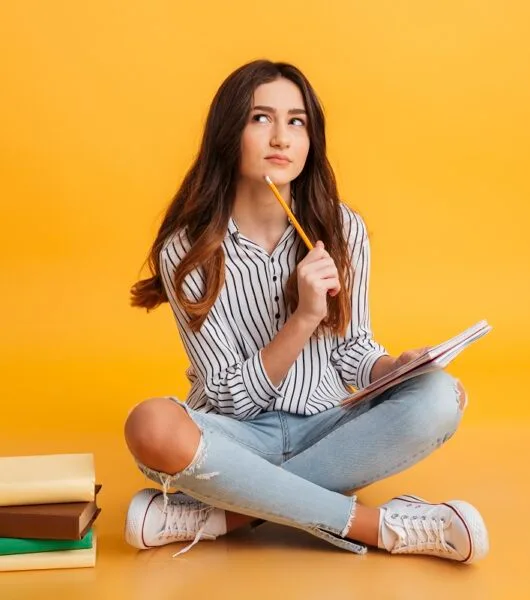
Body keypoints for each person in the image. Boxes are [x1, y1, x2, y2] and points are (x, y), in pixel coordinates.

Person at [123, 59, 489, 563]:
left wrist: (393, 370)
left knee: (441, 396)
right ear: (229, 133)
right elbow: (230, 399)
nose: (281, 137)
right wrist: (302, 320)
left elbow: (353, 352)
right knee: (151, 425)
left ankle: (229, 513)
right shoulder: (187, 251)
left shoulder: (342, 230)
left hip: (328, 425)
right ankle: (377, 527)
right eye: (261, 118)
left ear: (311, 139)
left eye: (296, 122)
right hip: (237, 438)